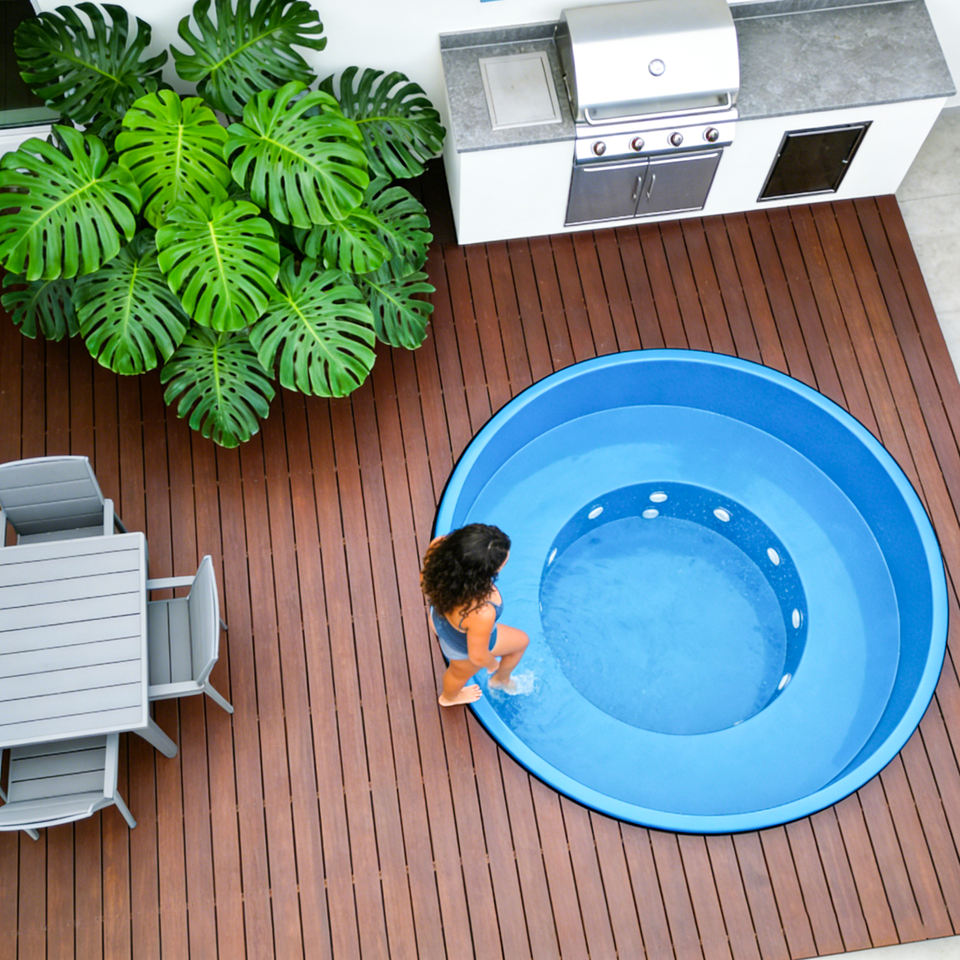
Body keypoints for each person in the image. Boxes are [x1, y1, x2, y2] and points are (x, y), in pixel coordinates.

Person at [420, 523, 530, 706]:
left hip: (438, 616)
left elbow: (424, 580)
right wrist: (492, 664)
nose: (506, 557)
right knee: (458, 673)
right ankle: (450, 697)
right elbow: (477, 655)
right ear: (481, 573)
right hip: (460, 646)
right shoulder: (480, 612)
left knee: (519, 641)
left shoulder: (438, 546)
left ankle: (499, 679)